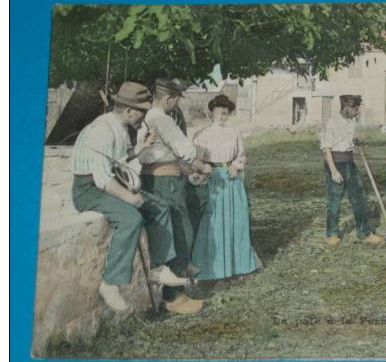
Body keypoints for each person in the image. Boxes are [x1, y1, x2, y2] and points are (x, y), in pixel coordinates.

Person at [71, 81, 187, 313]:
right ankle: (111, 283)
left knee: (160, 206)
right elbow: (103, 179)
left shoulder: (119, 127)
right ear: (129, 110)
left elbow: (119, 159)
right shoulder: (101, 130)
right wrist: (129, 197)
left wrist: (140, 147)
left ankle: (158, 268)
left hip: (111, 181)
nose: (143, 118)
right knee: (130, 218)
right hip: (88, 190)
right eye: (142, 112)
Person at [138, 78, 209, 314]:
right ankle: (174, 298)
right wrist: (201, 165)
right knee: (180, 234)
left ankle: (175, 290)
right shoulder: (162, 119)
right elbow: (185, 150)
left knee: (171, 232)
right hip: (165, 182)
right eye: (177, 98)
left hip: (157, 179)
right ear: (169, 97)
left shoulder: (146, 117)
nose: (177, 102)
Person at [191, 94, 261, 281]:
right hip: (213, 179)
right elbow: (196, 160)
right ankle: (211, 268)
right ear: (212, 112)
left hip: (231, 178)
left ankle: (239, 266)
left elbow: (242, 154)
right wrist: (203, 170)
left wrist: (236, 166)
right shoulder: (202, 134)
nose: (222, 117)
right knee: (213, 222)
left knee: (236, 220)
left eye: (225, 114)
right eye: (219, 113)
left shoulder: (234, 133)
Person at [320, 95, 384, 247]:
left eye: (358, 108)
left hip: (350, 163)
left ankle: (364, 233)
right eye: (355, 109)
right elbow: (326, 149)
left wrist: (354, 141)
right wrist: (334, 171)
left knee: (359, 198)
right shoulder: (332, 123)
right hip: (335, 164)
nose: (357, 112)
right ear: (346, 107)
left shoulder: (352, 121)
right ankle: (332, 234)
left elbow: (346, 139)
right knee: (335, 201)